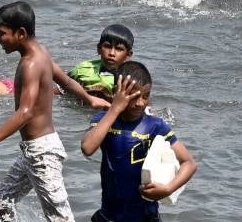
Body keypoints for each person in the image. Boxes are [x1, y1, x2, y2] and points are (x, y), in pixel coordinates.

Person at [0, 1, 108, 222]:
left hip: (42, 153)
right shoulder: (42, 53)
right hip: (32, 151)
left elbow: (25, 112)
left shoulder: (30, 64)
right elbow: (66, 81)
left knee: (60, 218)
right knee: (2, 200)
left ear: (20, 33)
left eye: (2, 33)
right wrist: (90, 99)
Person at [81, 61, 197, 222]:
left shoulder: (155, 126)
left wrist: (167, 189)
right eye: (134, 96)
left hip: (146, 217)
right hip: (109, 216)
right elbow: (87, 148)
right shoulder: (104, 120)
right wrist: (115, 108)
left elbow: (189, 163)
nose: (140, 103)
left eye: (146, 96)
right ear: (117, 93)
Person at [68, 24, 133, 101]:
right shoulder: (82, 70)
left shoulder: (131, 79)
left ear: (128, 55)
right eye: (107, 46)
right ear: (99, 48)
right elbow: (61, 89)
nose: (112, 53)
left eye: (119, 49)